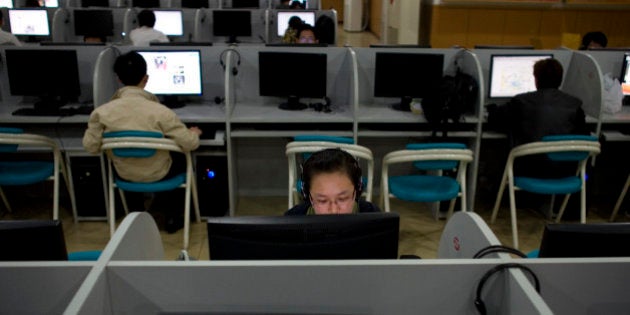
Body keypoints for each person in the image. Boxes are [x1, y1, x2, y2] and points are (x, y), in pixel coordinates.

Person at [83, 51, 202, 232]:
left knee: (126, 161)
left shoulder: (101, 113)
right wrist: (194, 133)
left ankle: (135, 216)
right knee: (179, 156)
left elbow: (90, 147)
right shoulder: (161, 112)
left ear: (118, 79)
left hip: (124, 175)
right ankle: (172, 218)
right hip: (161, 174)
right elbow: (190, 144)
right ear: (146, 79)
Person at [285, 148, 381, 215]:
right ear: (310, 197)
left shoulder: (373, 216)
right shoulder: (292, 220)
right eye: (322, 201)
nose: (334, 210)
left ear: (356, 192)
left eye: (342, 199)